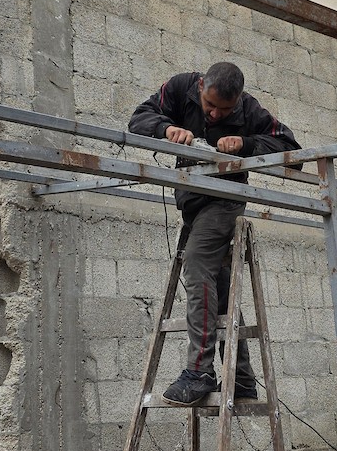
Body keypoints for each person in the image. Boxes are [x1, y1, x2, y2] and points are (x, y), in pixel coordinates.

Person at [129, 61, 301, 406]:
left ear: (237, 100)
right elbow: (138, 120)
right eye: (209, 106)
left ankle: (199, 372)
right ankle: (242, 380)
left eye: (225, 110)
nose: (215, 115)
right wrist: (166, 129)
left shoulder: (249, 108)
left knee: (196, 267)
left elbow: (291, 152)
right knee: (219, 294)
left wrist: (247, 143)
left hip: (224, 202)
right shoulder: (179, 88)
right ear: (201, 86)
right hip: (192, 202)